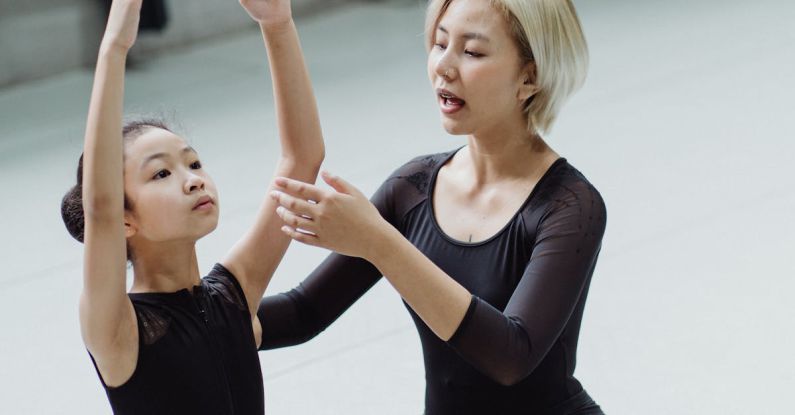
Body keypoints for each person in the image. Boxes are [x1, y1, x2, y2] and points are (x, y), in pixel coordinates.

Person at [261, 0, 606, 413]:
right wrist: (184, 314)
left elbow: (511, 354)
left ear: (529, 78)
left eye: (472, 52)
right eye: (440, 43)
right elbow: (303, 312)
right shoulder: (413, 188)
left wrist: (379, 243)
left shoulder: (570, 207)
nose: (444, 66)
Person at [60, 0, 323, 413]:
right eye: (161, 174)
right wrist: (115, 46)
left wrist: (278, 24)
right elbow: (101, 205)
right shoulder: (121, 332)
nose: (194, 179)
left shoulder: (232, 296)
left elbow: (302, 159)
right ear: (124, 220)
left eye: (194, 163)